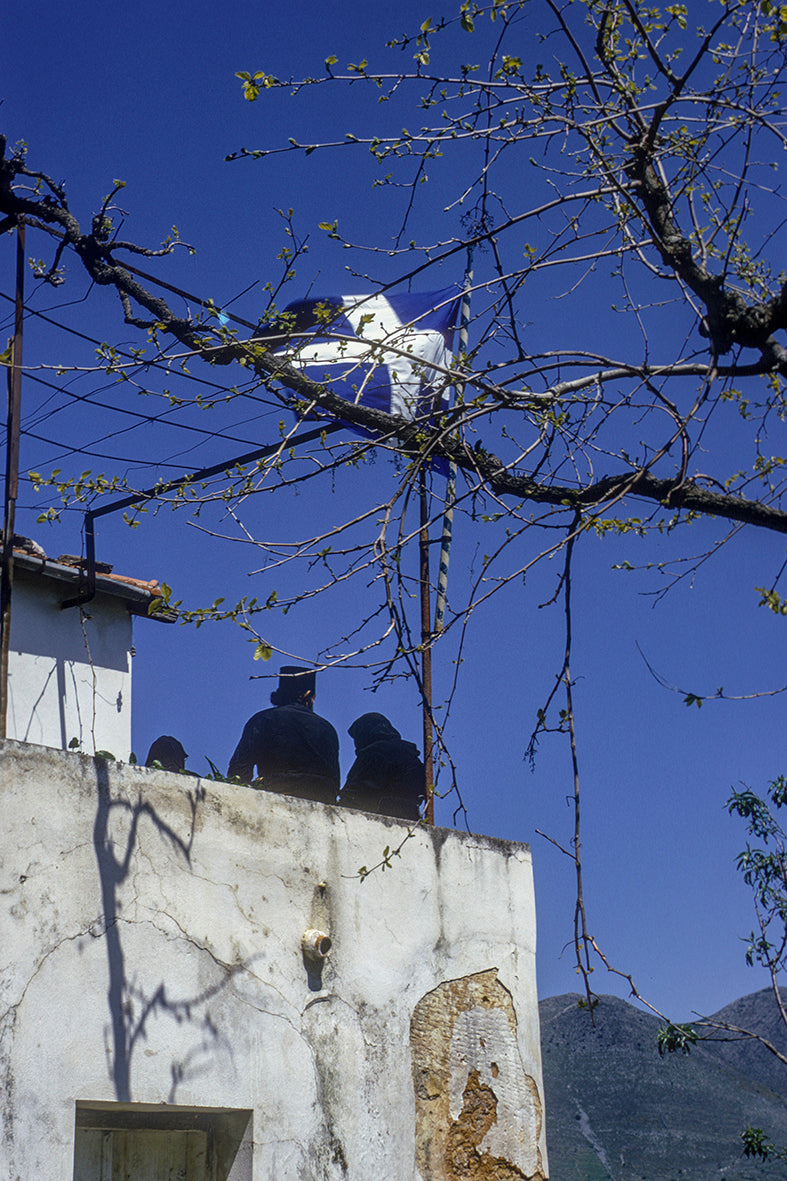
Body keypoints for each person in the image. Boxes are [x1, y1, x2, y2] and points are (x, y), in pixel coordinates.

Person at [227, 666, 340, 805]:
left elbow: (239, 770)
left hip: (275, 796)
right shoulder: (327, 728)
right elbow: (334, 781)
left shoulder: (262, 719)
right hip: (321, 802)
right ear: (308, 694)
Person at [339, 712, 426, 821]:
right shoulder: (410, 755)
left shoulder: (375, 752)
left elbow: (357, 793)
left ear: (364, 734)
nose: (355, 744)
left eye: (357, 738)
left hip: (376, 820)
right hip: (411, 820)